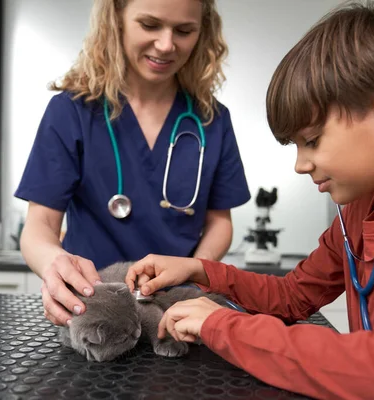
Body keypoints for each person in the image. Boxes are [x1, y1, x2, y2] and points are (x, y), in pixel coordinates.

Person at [125, 2, 374, 398]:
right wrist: (199, 269)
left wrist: (223, 326)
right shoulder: (361, 211)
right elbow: (292, 297)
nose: (300, 164)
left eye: (311, 141)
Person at [15, 0, 250, 327]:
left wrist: (196, 273)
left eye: (184, 31)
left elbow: (219, 222)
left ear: (203, 31)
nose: (167, 45)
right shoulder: (72, 111)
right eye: (150, 25)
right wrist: (55, 266)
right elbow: (39, 228)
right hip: (94, 307)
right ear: (116, 21)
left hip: (176, 310)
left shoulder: (211, 119)